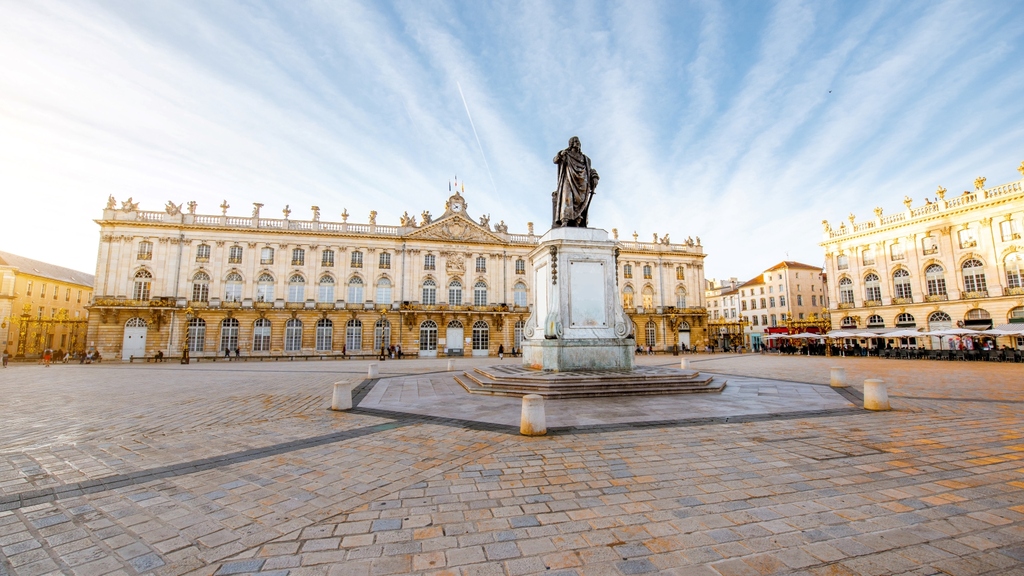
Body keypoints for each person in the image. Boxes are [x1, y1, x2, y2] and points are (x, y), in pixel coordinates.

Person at [552, 136, 600, 228]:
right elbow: (555, 160)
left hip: (582, 183)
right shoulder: (566, 154)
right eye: (575, 141)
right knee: (567, 198)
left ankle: (577, 220)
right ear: (571, 144)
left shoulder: (586, 159)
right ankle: (565, 220)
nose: (577, 143)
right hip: (568, 178)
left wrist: (595, 176)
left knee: (581, 201)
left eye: (578, 142)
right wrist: (560, 154)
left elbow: (590, 170)